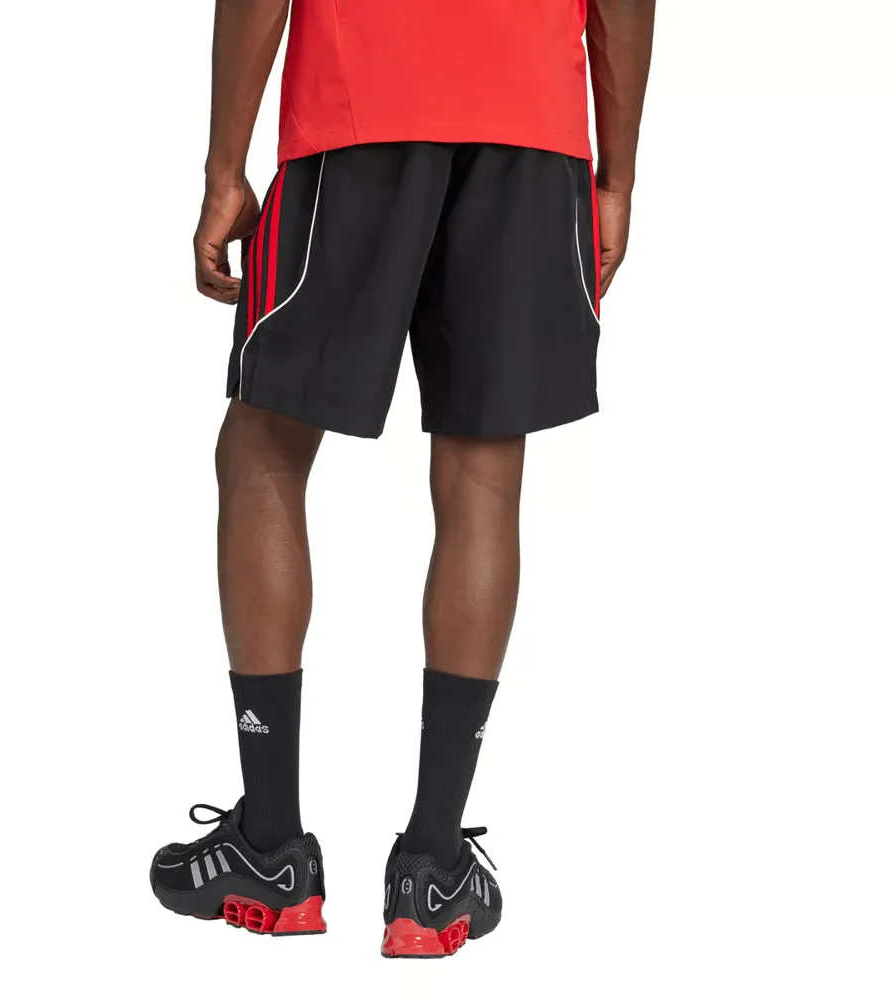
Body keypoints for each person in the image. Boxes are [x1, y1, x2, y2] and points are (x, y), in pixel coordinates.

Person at [150, 0, 655, 958]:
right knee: (483, 471)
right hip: (534, 126)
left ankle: (270, 846)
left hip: (360, 102)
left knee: (264, 445)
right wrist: (617, 174)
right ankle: (431, 872)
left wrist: (224, 167)